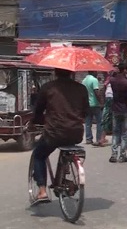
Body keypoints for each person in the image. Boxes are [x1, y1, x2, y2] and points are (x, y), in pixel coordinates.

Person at [30, 68, 89, 203]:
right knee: (67, 148)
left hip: (54, 133)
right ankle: (64, 174)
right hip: (75, 133)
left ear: (55, 72)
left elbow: (38, 110)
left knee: (39, 155)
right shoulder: (81, 89)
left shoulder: (48, 88)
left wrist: (36, 122)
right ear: (72, 72)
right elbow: (86, 111)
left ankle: (42, 191)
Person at [109, 63, 127, 163]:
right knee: (125, 134)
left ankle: (113, 155)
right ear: (124, 70)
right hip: (126, 110)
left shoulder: (112, 81)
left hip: (115, 110)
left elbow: (111, 78)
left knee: (115, 133)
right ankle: (122, 155)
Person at [82, 71, 104, 146]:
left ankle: (88, 139)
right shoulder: (94, 80)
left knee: (88, 122)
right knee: (99, 122)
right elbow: (96, 92)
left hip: (87, 104)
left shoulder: (84, 80)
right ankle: (98, 139)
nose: (97, 73)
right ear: (93, 72)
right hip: (95, 104)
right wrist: (101, 102)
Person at [99, 71, 115, 144]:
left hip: (112, 99)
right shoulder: (109, 80)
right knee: (107, 118)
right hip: (110, 99)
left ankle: (103, 138)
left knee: (108, 118)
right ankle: (103, 138)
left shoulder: (112, 80)